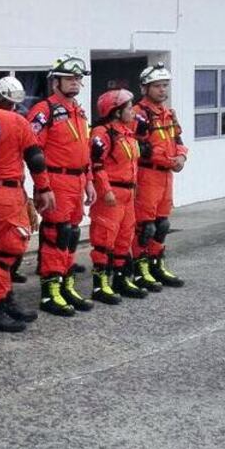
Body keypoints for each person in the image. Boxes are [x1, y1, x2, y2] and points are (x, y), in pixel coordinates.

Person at [0, 74, 53, 332]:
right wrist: (44, 188)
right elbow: (35, 158)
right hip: (5, 193)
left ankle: (5, 300)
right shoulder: (16, 121)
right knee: (8, 253)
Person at [26, 55, 96, 316]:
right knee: (57, 234)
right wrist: (43, 187)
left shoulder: (78, 110)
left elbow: (85, 150)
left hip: (77, 180)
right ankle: (50, 292)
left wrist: (89, 181)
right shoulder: (44, 111)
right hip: (56, 180)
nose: (75, 83)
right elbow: (34, 152)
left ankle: (66, 284)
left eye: (78, 79)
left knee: (71, 234)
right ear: (55, 82)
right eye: (69, 78)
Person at [89, 86, 148, 303]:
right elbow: (96, 164)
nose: (133, 112)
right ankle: (100, 285)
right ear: (116, 111)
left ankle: (121, 280)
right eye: (129, 108)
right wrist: (105, 190)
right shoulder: (102, 133)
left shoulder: (127, 133)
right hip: (111, 195)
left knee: (125, 239)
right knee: (104, 240)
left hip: (128, 194)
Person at [132, 63, 188, 290]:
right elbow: (139, 146)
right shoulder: (138, 113)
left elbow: (179, 142)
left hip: (166, 176)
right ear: (145, 88)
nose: (162, 90)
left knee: (162, 224)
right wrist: (168, 159)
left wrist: (182, 158)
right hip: (147, 175)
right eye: (157, 86)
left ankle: (156, 264)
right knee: (146, 226)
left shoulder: (168, 114)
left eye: (165, 85)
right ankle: (140, 268)